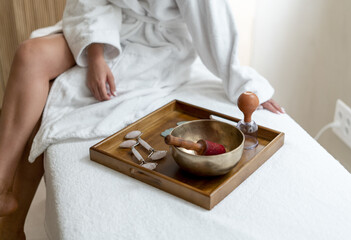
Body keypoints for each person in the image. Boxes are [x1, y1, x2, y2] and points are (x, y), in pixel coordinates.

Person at [0, 0, 284, 238]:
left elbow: (216, 26)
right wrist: (95, 54)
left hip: (157, 48)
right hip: (105, 30)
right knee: (29, 55)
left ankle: (11, 221)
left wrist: (246, 84)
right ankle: (2, 186)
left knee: (48, 96)